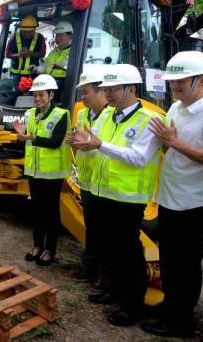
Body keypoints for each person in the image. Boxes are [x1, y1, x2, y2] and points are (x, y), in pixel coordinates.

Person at [70, 64, 164, 327]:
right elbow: (99, 151)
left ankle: (132, 305)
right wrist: (85, 144)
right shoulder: (109, 116)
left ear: (131, 89)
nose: (108, 94)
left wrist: (99, 144)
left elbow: (138, 158)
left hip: (127, 198)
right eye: (106, 89)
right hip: (102, 192)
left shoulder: (149, 119)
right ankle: (116, 292)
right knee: (109, 250)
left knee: (128, 254)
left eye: (114, 89)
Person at [140, 51, 203, 338]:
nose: (175, 87)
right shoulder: (176, 108)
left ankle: (181, 322)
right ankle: (170, 307)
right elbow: (169, 144)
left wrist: (174, 143)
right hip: (169, 198)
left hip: (193, 202)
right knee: (170, 261)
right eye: (172, 82)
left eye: (182, 81)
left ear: (202, 80)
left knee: (186, 265)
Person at [13, 75, 71, 267]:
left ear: (51, 94)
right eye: (35, 95)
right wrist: (21, 135)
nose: (37, 99)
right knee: (36, 211)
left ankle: (50, 249)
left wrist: (30, 138)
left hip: (52, 175)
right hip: (34, 172)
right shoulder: (29, 114)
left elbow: (55, 143)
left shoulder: (61, 114)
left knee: (51, 213)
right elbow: (28, 141)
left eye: (41, 95)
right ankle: (37, 245)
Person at [68, 66, 110, 286]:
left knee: (104, 231)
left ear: (100, 90)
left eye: (86, 92)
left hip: (104, 182)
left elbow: (109, 147)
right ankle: (90, 266)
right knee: (91, 227)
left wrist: (88, 145)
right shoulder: (83, 113)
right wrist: (74, 142)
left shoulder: (112, 115)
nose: (82, 97)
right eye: (81, 92)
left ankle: (104, 272)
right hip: (86, 180)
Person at [38, 21, 73, 102]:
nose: (57, 38)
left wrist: (62, 68)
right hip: (51, 83)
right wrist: (36, 68)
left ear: (70, 36)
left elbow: (77, 69)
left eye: (61, 35)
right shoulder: (53, 52)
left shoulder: (74, 50)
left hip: (67, 84)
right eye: (56, 35)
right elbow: (44, 68)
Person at [5, 15, 47, 82]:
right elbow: (7, 54)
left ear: (34, 29)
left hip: (33, 74)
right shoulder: (14, 38)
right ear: (21, 29)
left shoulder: (40, 38)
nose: (27, 34)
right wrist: (19, 54)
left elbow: (43, 53)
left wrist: (31, 54)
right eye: (24, 31)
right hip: (17, 76)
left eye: (30, 32)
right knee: (17, 92)